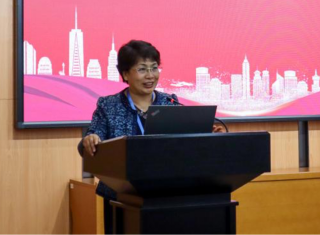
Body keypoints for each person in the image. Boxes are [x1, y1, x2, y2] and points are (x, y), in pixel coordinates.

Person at [78, 39, 222, 235]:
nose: (150, 75)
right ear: (125, 74)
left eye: (154, 68)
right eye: (142, 69)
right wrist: (91, 138)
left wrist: (207, 134)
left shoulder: (169, 102)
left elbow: (185, 142)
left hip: (165, 194)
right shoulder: (108, 106)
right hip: (121, 197)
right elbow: (90, 141)